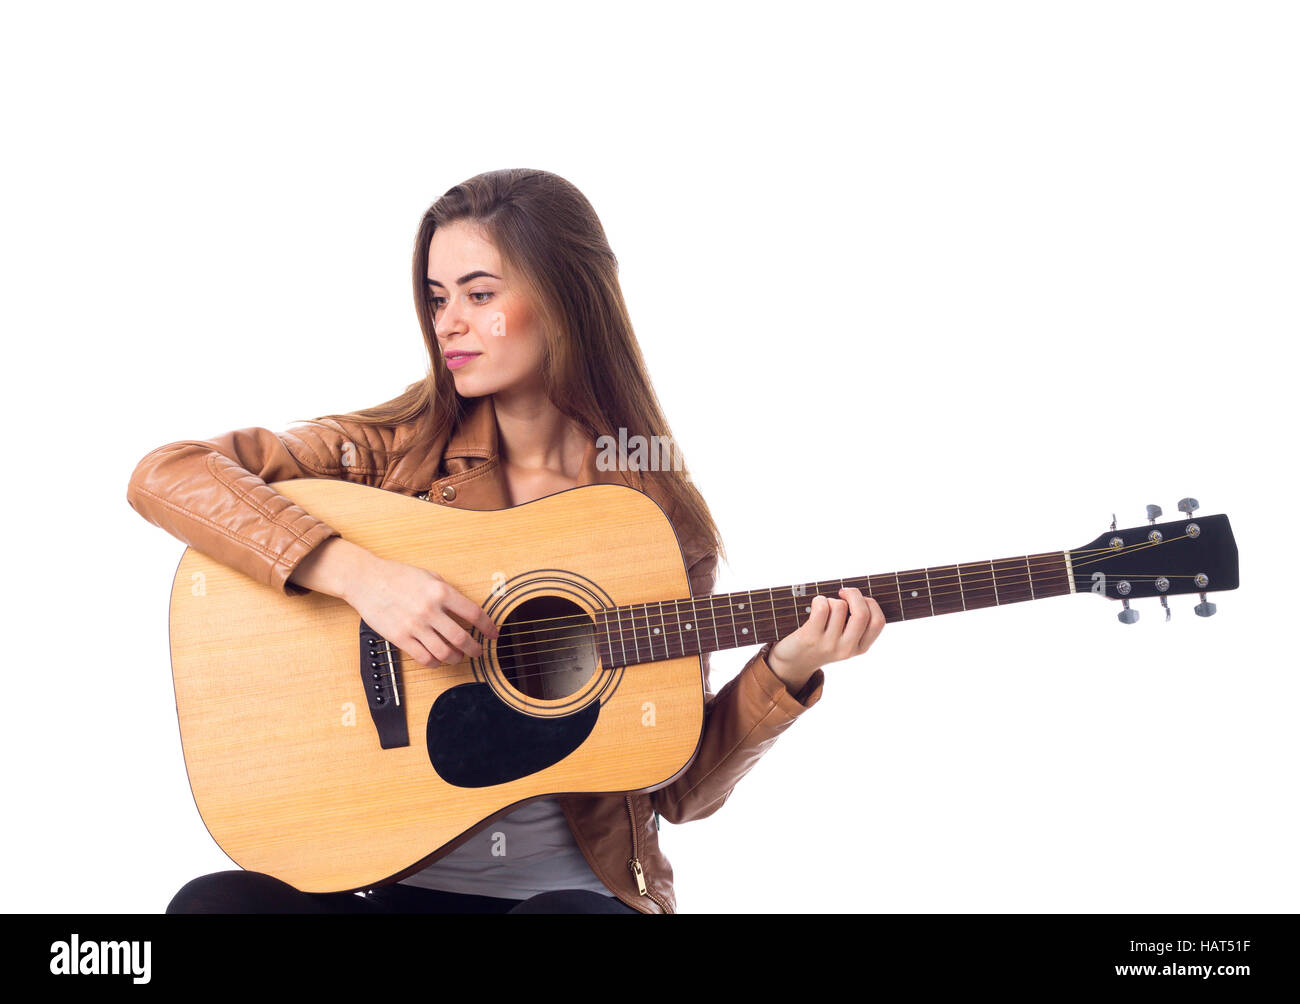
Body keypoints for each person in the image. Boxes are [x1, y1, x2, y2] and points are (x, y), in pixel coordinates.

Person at [127, 168, 886, 914]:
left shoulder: (651, 520)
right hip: (397, 890)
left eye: (480, 294)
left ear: (563, 300)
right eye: (437, 297)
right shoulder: (393, 453)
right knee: (214, 909)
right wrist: (361, 577)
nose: (447, 321)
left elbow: (677, 792)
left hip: (576, 900)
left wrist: (788, 669)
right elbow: (167, 473)